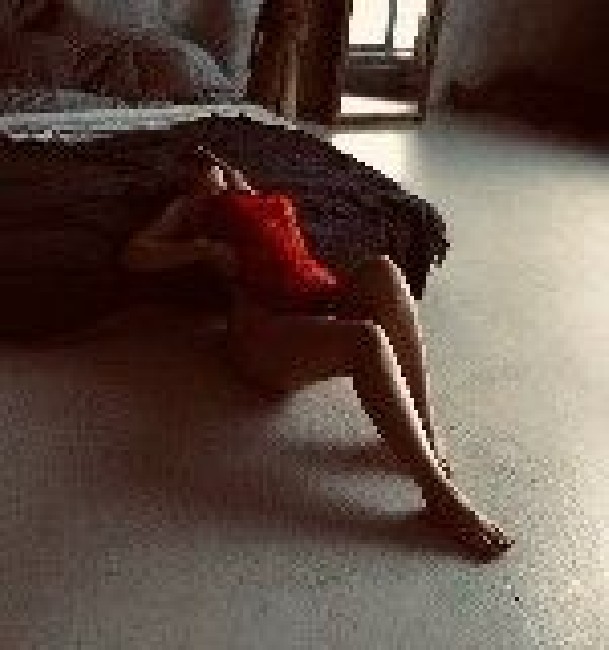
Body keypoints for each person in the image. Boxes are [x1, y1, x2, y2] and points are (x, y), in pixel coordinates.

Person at [121, 151, 515, 560]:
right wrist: (203, 249)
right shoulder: (189, 207)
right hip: (266, 330)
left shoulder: (247, 192)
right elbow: (135, 254)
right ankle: (439, 495)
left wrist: (233, 179)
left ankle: (426, 431)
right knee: (365, 341)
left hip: (318, 297)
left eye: (213, 165)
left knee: (385, 271)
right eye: (200, 169)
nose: (210, 171)